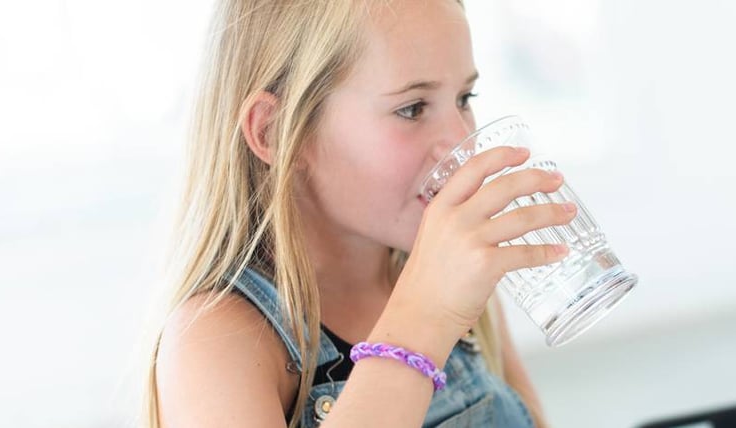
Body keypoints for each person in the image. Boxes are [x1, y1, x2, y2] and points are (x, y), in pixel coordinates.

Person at [144, 1, 567, 426]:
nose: (462, 143)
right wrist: (425, 320)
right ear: (275, 130)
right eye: (412, 108)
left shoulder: (461, 280)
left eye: (464, 98)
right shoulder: (216, 342)